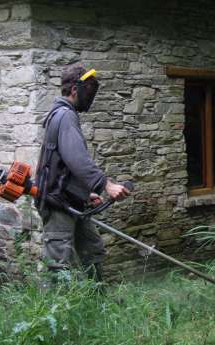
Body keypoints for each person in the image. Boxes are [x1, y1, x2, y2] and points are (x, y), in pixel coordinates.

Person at [34, 64, 130, 282]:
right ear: (74, 90)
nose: (90, 96)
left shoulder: (64, 115)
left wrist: (85, 193)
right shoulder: (65, 116)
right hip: (57, 203)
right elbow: (77, 159)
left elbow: (63, 165)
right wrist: (106, 185)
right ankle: (53, 312)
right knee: (58, 263)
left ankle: (97, 302)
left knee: (91, 249)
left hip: (72, 200)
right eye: (87, 90)